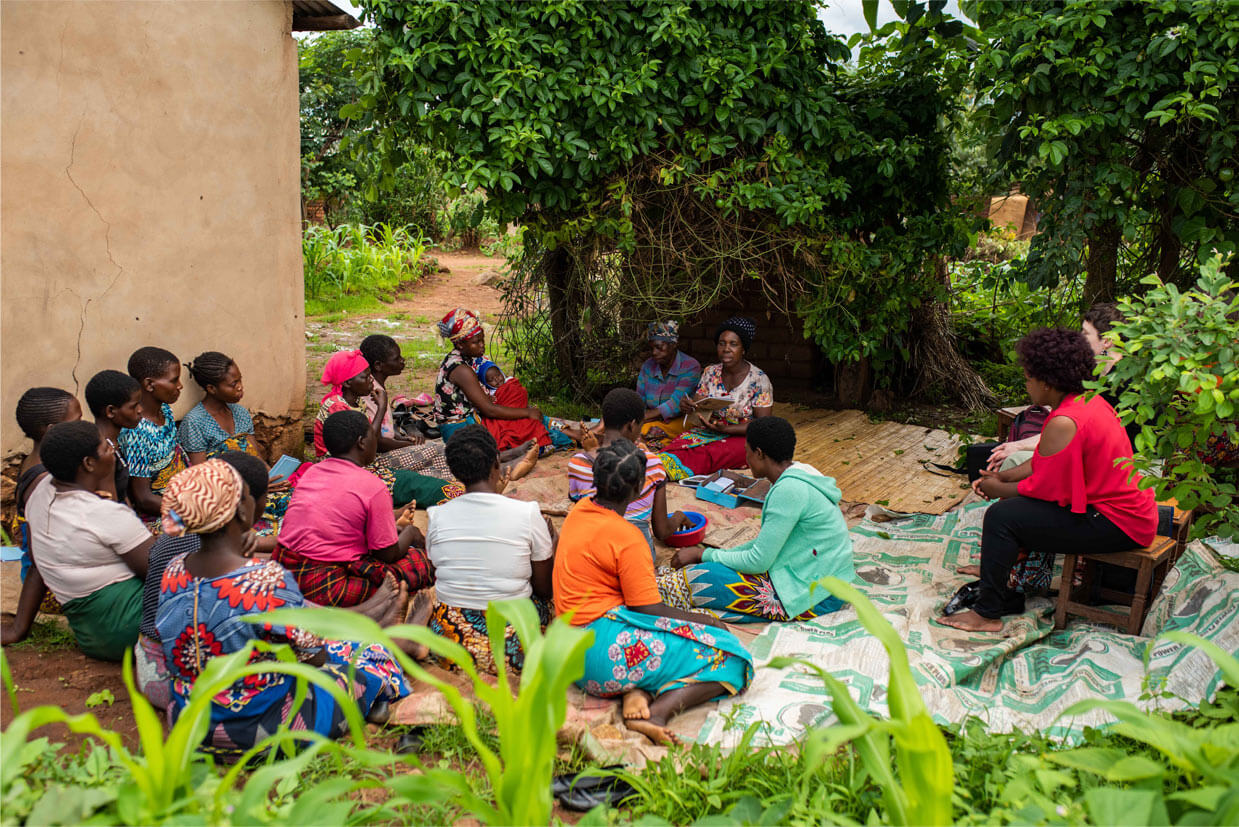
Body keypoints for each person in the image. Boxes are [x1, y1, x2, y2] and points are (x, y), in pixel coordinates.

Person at [154, 459, 411, 757]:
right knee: (369, 654)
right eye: (249, 494)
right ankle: (377, 692)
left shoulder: (173, 570)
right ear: (239, 510)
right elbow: (315, 659)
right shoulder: (265, 578)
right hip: (261, 728)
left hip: (191, 722)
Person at [941, 328, 1158, 633]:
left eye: (1028, 378)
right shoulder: (1085, 402)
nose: (1026, 384)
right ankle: (1001, 578)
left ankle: (986, 612)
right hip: (1126, 513)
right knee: (1013, 511)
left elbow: (1048, 489)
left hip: (1118, 523)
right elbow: (1045, 459)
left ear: (1045, 382)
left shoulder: (1063, 421)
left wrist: (996, 488)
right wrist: (1004, 475)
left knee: (1001, 517)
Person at [554, 439, 753, 745]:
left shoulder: (578, 511)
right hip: (599, 656)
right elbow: (647, 609)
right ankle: (659, 713)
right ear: (638, 490)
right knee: (731, 655)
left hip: (567, 648)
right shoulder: (628, 537)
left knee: (680, 634)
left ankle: (638, 689)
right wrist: (702, 621)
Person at [659, 417, 855, 622]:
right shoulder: (798, 474)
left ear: (759, 453)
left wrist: (703, 555)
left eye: (747, 452)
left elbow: (758, 561)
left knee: (700, 580)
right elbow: (762, 547)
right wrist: (713, 555)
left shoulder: (789, 490)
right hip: (819, 579)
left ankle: (661, 591)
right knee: (715, 569)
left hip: (817, 596)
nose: (746, 458)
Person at [425, 425, 556, 672]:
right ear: (497, 464)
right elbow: (544, 589)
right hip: (513, 643)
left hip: (451, 642)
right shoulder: (527, 513)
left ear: (454, 472)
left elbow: (437, 566)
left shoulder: (437, 516)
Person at [274, 410, 433, 611]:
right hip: (324, 584)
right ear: (361, 442)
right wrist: (411, 533)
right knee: (420, 563)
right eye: (372, 436)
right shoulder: (373, 486)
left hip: (284, 574)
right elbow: (387, 555)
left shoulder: (312, 472)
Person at [21, 421, 154, 660]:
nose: (112, 450)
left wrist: (18, 628)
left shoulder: (38, 493)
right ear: (89, 463)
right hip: (134, 631)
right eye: (105, 447)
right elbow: (161, 572)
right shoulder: (103, 515)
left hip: (93, 638)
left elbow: (36, 565)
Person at [988, 303, 1137, 471]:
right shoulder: (1096, 372)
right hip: (1091, 451)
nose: (1080, 338)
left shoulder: (1124, 382)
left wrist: (1019, 446)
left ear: (1107, 341)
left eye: (1086, 333)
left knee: (1015, 461)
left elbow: (1074, 434)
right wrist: (1016, 445)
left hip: (1122, 463)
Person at [1, 388, 82, 645]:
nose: (82, 428)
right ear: (51, 430)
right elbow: (39, 561)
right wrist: (18, 629)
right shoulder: (43, 481)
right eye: (76, 422)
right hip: (51, 589)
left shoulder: (46, 464)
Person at [179, 351, 296, 528]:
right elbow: (201, 477)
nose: (240, 387)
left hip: (257, 489)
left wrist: (273, 478)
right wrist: (251, 488)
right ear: (211, 389)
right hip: (226, 497)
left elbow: (256, 458)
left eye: (240, 380)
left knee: (300, 502)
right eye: (233, 384)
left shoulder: (240, 413)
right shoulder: (194, 422)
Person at [431, 306, 571, 453]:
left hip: (472, 418)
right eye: (476, 342)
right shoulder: (461, 369)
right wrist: (526, 413)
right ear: (460, 344)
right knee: (519, 426)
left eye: (482, 339)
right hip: (460, 429)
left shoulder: (465, 358)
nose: (482, 345)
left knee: (519, 409)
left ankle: (561, 435)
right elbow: (489, 410)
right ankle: (552, 440)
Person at [567, 388, 690, 554]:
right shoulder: (651, 463)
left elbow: (580, 508)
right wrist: (679, 516)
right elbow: (662, 532)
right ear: (632, 426)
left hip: (592, 552)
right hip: (637, 553)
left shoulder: (577, 463)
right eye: (641, 425)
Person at [658, 316, 773, 479]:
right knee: (683, 442)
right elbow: (697, 408)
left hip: (743, 437)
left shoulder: (759, 380)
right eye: (722, 343)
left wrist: (726, 429)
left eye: (733, 344)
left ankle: (663, 473)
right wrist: (688, 406)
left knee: (712, 452)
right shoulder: (711, 372)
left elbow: (763, 426)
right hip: (711, 429)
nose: (726, 348)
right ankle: (655, 466)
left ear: (744, 349)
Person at [314, 348, 454, 479]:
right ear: (348, 383)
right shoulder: (337, 407)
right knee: (435, 452)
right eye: (366, 377)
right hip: (344, 471)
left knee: (439, 454)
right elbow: (368, 446)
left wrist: (404, 440)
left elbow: (369, 439)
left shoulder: (357, 402)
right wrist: (381, 408)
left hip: (362, 463)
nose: (371, 381)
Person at [119, 346, 187, 521]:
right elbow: (143, 498)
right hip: (161, 513)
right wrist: (192, 510)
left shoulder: (165, 409)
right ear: (149, 385)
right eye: (174, 380)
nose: (180, 386)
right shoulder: (136, 432)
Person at [636, 321, 702, 446]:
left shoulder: (690, 366)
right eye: (652, 348)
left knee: (644, 432)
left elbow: (676, 404)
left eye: (659, 347)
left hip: (679, 422)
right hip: (650, 420)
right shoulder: (648, 366)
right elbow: (639, 400)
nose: (654, 352)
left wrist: (642, 418)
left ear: (673, 345)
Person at [85, 370, 143, 508]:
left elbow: (122, 494)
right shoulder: (103, 452)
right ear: (110, 411)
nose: (140, 410)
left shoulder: (115, 442)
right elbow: (113, 507)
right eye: (134, 406)